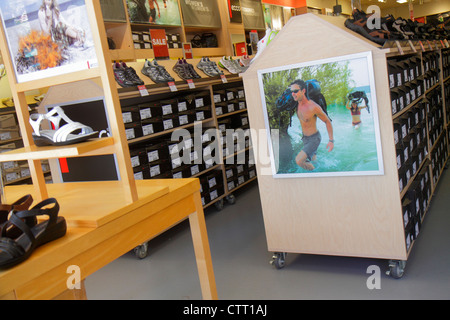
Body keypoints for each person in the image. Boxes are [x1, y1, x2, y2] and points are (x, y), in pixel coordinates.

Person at [290, 79, 334, 171]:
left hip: (314, 139)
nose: (293, 94)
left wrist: (331, 140)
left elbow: (327, 121)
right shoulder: (296, 104)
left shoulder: (313, 107)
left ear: (303, 91)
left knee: (299, 160)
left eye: (296, 91)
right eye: (292, 91)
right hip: (305, 138)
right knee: (314, 161)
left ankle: (314, 175)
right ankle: (319, 170)